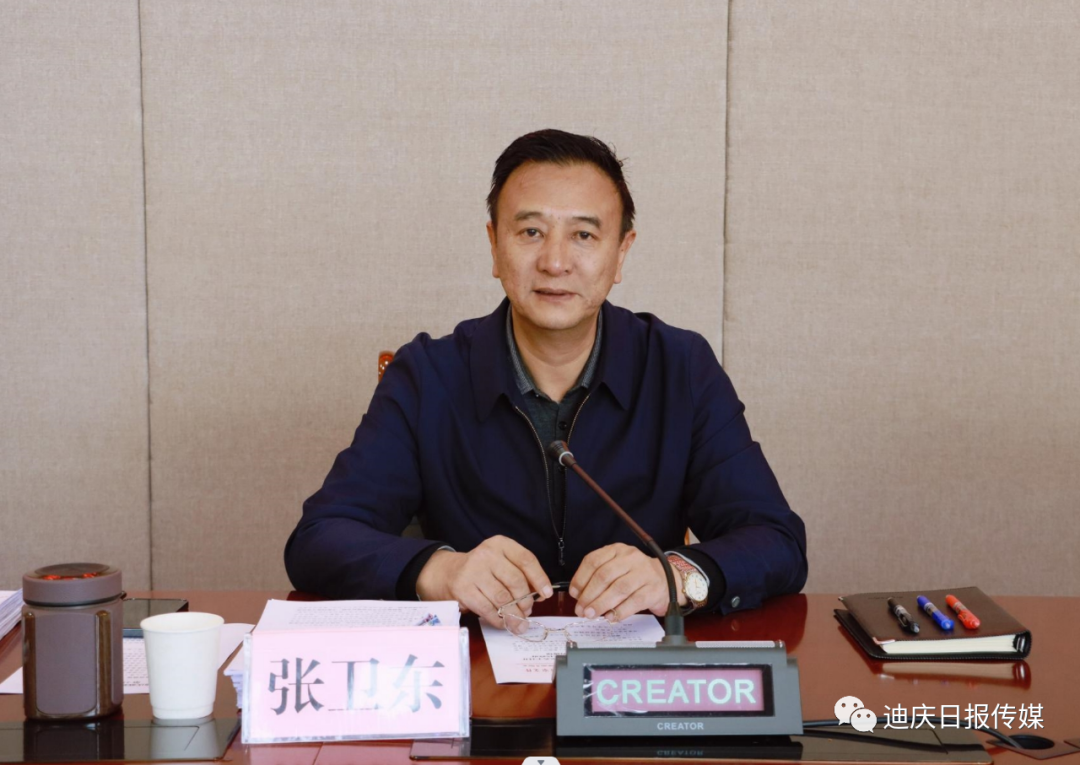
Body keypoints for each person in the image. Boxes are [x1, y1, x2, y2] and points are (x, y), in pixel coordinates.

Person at [285, 129, 807, 632]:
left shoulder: (680, 367)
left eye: (584, 235)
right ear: (494, 246)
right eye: (531, 232)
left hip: (628, 676)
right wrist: (441, 570)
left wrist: (675, 576)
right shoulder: (428, 375)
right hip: (477, 667)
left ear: (621, 252)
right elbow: (319, 539)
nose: (555, 262)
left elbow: (776, 540)